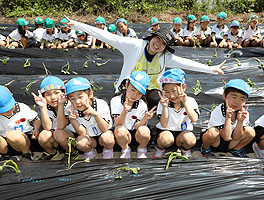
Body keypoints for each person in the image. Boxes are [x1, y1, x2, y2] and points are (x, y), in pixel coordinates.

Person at [64, 16, 225, 111]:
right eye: (157, 39)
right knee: (120, 103)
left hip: (151, 88)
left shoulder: (164, 56)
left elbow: (186, 63)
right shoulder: (134, 46)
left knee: (161, 103)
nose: (158, 44)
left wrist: (212, 69)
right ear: (151, 38)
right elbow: (107, 37)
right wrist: (78, 25)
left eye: (163, 44)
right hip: (129, 86)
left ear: (165, 48)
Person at [201, 79, 255, 158]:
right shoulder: (218, 111)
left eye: (242, 99)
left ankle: (235, 150)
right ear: (224, 96)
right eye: (234, 97)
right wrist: (228, 117)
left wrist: (240, 121)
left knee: (250, 131)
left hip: (232, 142)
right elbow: (226, 137)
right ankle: (205, 149)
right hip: (217, 142)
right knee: (212, 132)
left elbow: (237, 137)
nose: (237, 102)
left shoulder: (243, 113)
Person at [64, 77, 115, 159]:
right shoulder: (70, 109)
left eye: (80, 97)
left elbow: (105, 129)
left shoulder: (101, 104)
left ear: (90, 94)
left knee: (108, 137)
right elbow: (82, 133)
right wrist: (72, 120)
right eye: (72, 99)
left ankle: (108, 151)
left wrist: (96, 114)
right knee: (80, 142)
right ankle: (89, 152)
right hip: (89, 138)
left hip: (102, 135)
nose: (77, 102)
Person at [153, 68, 198, 158]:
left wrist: (185, 103)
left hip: (182, 134)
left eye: (174, 91)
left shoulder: (190, 101)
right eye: (167, 92)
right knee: (165, 139)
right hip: (166, 132)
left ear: (183, 87)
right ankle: (160, 148)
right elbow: (164, 124)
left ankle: (185, 149)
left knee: (190, 139)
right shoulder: (163, 102)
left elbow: (194, 119)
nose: (172, 96)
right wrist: (165, 106)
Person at [111, 71, 155, 158]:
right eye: (133, 90)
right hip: (121, 137)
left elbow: (137, 127)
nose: (134, 95)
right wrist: (124, 112)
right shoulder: (115, 101)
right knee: (120, 129)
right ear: (127, 85)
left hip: (135, 135)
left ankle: (141, 149)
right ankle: (125, 149)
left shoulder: (142, 105)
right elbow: (118, 123)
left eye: (139, 93)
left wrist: (145, 119)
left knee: (144, 130)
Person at [32, 76, 73, 160]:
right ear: (44, 97)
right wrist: (42, 107)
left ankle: (71, 152)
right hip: (56, 136)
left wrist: (61, 105)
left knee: (59, 133)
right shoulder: (47, 106)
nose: (53, 97)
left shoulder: (70, 105)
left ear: (63, 92)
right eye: (48, 94)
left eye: (56, 93)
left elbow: (61, 126)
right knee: (43, 135)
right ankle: (52, 152)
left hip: (73, 137)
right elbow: (47, 127)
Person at [0, 86, 41, 161]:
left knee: (12, 135)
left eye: (10, 108)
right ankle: (5, 156)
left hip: (23, 139)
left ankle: (27, 154)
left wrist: (36, 129)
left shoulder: (22, 108)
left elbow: (36, 119)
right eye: (3, 111)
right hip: (5, 143)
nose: (8, 112)